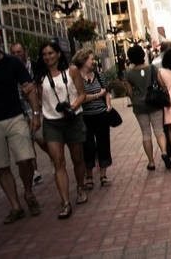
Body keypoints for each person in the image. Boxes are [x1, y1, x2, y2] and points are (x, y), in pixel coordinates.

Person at [0, 27, 42, 223]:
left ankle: (28, 192)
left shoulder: (12, 62)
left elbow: (29, 88)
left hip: (15, 117)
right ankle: (15, 206)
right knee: (1, 166)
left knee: (25, 159)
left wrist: (35, 114)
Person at [34, 41, 87, 219]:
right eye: (44, 54)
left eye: (51, 53)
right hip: (52, 123)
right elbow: (39, 100)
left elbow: (82, 93)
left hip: (73, 119)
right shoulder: (40, 77)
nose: (47, 57)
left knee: (77, 158)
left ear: (58, 54)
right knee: (58, 162)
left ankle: (80, 187)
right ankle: (65, 202)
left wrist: (72, 107)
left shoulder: (72, 71)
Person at [124, 45, 171, 170]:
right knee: (159, 131)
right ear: (143, 55)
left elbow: (129, 92)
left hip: (139, 106)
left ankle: (151, 162)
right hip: (154, 103)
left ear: (130, 58)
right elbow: (161, 84)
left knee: (146, 133)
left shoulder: (128, 73)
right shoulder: (152, 68)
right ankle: (164, 152)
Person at [72, 49, 113, 188]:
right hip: (85, 117)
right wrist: (97, 95)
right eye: (91, 59)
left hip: (101, 115)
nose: (93, 61)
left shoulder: (99, 75)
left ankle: (103, 175)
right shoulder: (76, 78)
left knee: (103, 144)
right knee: (87, 146)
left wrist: (108, 104)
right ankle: (89, 176)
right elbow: (79, 97)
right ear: (83, 61)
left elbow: (106, 92)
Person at [9, 42, 46, 185]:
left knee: (42, 140)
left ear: (25, 52)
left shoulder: (35, 66)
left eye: (19, 52)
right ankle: (35, 172)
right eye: (13, 53)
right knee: (28, 145)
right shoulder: (10, 68)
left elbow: (41, 84)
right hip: (20, 112)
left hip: (36, 110)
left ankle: (55, 160)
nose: (16, 55)